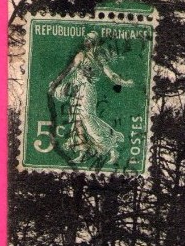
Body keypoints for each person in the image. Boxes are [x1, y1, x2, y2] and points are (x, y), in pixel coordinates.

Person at [48, 31, 133, 164]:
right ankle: (82, 153)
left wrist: (123, 82)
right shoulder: (80, 55)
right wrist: (55, 84)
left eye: (89, 39)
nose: (86, 40)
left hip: (88, 90)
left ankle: (112, 148)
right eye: (85, 38)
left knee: (88, 118)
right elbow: (68, 71)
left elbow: (110, 74)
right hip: (76, 90)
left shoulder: (99, 57)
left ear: (94, 42)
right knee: (77, 120)